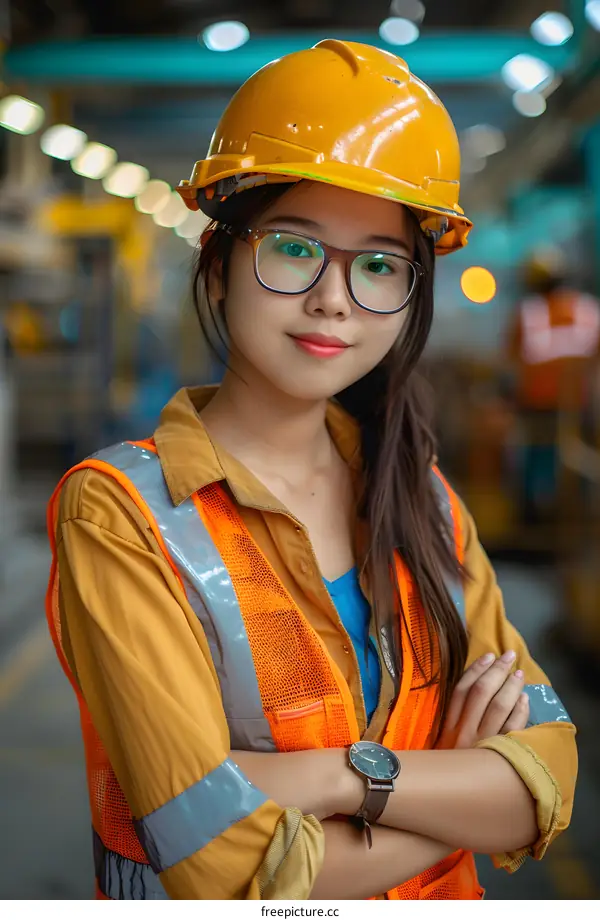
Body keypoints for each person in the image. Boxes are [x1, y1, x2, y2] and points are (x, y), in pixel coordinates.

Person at [46, 40, 577, 900]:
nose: (335, 297)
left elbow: (547, 776)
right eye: (294, 248)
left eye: (379, 265)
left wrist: (341, 780)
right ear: (218, 268)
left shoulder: (424, 498)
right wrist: (455, 788)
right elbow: (223, 868)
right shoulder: (124, 516)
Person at [507, 248, 600, 523]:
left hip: (537, 405)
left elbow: (512, 358)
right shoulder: (589, 309)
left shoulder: (527, 312)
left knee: (536, 458)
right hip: (578, 403)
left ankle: (532, 517)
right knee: (575, 458)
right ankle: (577, 516)